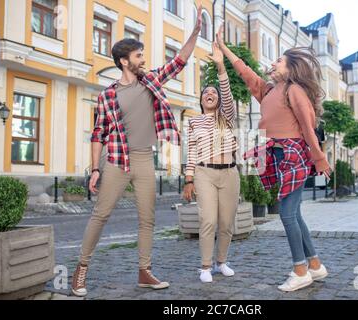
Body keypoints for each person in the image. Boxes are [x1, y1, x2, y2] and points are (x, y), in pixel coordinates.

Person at [71, 6, 204, 297]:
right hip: (117, 161)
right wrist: (95, 169)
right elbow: (98, 133)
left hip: (145, 158)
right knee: (100, 214)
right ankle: (81, 269)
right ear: (124, 61)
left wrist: (194, 33)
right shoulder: (107, 95)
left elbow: (179, 61)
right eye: (138, 55)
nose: (143, 60)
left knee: (148, 219)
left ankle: (145, 271)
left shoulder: (151, 81)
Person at [217, 25, 331, 292]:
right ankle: (314, 265)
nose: (273, 62)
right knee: (295, 214)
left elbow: (307, 126)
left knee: (288, 214)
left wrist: (319, 158)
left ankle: (300, 270)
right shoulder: (268, 91)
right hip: (277, 153)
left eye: (279, 60)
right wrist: (223, 48)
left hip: (294, 153)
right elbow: (245, 73)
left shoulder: (294, 90)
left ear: (291, 69)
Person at [183, 41, 239, 283]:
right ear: (201, 99)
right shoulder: (194, 122)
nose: (210, 94)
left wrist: (220, 67)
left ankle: (221, 262)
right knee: (208, 220)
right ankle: (205, 266)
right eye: (206, 92)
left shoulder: (226, 117)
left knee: (227, 223)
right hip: (204, 173)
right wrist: (188, 179)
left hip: (229, 173)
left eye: (213, 92)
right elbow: (192, 151)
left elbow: (226, 94)